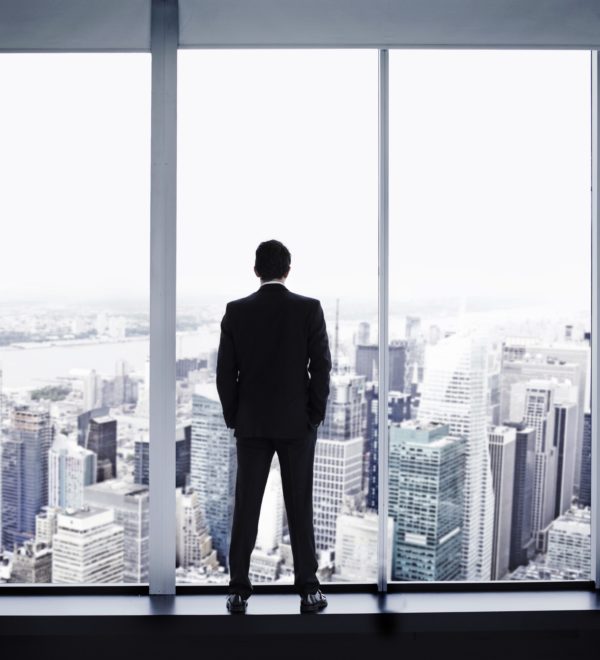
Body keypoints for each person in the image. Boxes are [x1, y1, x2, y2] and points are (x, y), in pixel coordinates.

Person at [216, 239, 332, 614]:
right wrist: (313, 414)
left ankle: (237, 591)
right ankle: (309, 592)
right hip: (298, 424)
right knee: (300, 506)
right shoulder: (309, 309)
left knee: (246, 506)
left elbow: (224, 375)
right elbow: (322, 367)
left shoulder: (236, 311)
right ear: (288, 269)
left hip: (251, 424)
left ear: (256, 270)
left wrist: (236, 416)